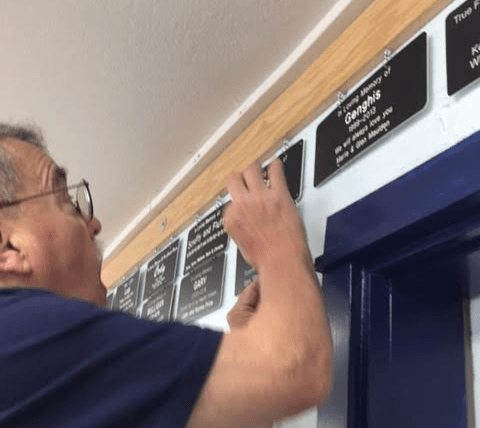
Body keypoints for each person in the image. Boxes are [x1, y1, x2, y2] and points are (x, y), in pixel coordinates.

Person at [0, 123, 333, 427]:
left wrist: (247, 350)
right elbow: (296, 369)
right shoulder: (18, 335)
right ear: (7, 248)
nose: (94, 224)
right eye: (68, 204)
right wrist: (276, 242)